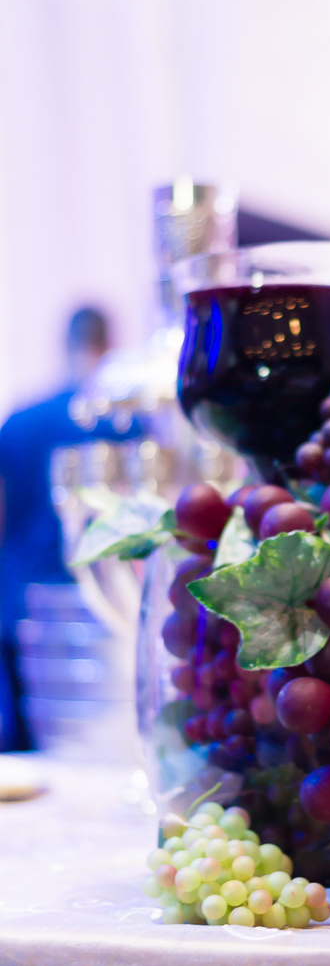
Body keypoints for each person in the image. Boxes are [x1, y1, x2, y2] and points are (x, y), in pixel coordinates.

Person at [0, 307, 142, 750]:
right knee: (101, 739)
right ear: (109, 343)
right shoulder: (125, 424)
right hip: (99, 601)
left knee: (28, 741)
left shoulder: (19, 420)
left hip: (20, 599)